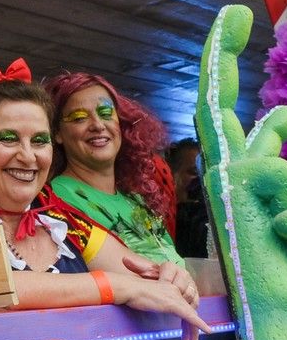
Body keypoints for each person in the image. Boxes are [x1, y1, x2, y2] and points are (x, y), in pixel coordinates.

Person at [0, 58, 207, 340]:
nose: (28, 156)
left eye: (39, 141)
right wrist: (116, 286)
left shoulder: (63, 222)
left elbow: (137, 273)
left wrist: (172, 279)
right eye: (8, 138)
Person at [44, 72, 184, 267]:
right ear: (57, 132)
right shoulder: (54, 199)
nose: (98, 125)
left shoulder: (135, 199)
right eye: (79, 118)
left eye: (106, 114)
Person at [170, 138, 210, 258]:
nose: (200, 181)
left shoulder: (210, 219)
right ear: (173, 174)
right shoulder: (166, 219)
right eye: (194, 173)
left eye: (205, 174)